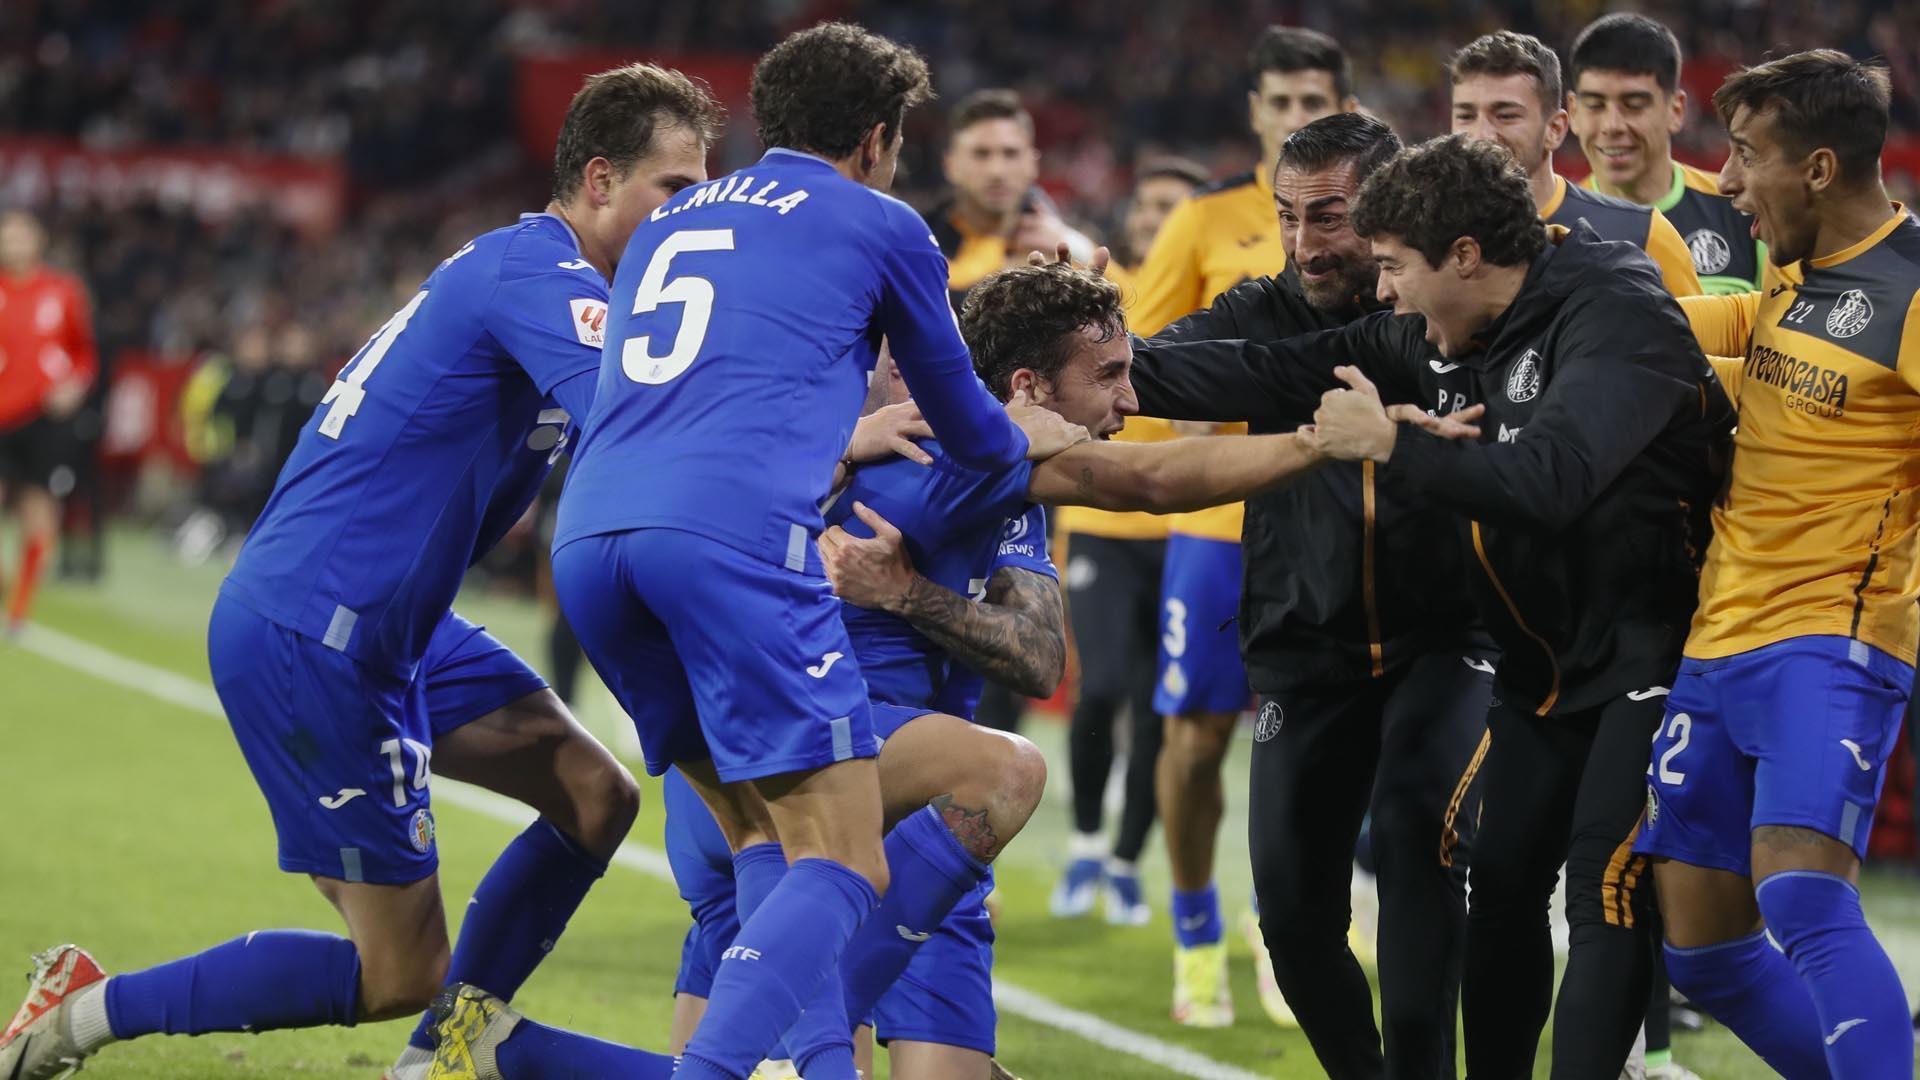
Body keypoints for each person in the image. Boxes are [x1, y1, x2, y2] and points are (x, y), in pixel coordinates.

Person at [0, 63, 723, 1080]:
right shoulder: (542, 278)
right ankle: (85, 1012)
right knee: (398, 970)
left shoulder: (538, 275)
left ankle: (446, 1057)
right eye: (675, 191)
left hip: (393, 625)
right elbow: (645, 424)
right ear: (600, 179)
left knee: (594, 797)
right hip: (320, 630)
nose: (693, 219)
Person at [521, 24, 1088, 1080]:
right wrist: (1034, 441)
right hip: (727, 545)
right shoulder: (882, 224)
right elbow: (968, 429)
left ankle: (796, 1062)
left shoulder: (670, 218)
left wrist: (834, 437)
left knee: (764, 847)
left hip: (592, 539)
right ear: (877, 139)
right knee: (845, 854)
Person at [1129, 133, 1733, 1079]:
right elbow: (1267, 368)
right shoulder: (1434, 330)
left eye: (1393, 266)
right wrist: (1073, 368)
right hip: (1529, 669)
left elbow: (1553, 479)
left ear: (1458, 255)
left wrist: (1393, 448)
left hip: (1644, 653)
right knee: (1489, 890)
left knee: (1597, 897)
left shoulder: (1611, 304)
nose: (1380, 289)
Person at [1125, 112, 1495, 1077]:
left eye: (1329, 216)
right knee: (1292, 921)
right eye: (1289, 216)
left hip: (1446, 642)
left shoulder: (1449, 304)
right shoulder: (1258, 311)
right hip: (1305, 645)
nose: (1305, 243)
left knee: (1420, 848)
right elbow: (1150, 365)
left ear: (1386, 205)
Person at [1638, 50, 1920, 1078]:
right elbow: (1681, 337)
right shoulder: (1789, 287)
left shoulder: (1913, 289)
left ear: (1818, 167)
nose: (1725, 180)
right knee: (1704, 950)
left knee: (1801, 895)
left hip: (1834, 641)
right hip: (1719, 645)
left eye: (1747, 155)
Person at [1093, 25, 1358, 1031]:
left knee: (1337, 731)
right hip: (1213, 524)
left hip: (1333, 524)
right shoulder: (1202, 224)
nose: (1295, 117)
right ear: (1254, 112)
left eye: (1314, 102)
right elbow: (1135, 354)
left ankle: (1298, 916)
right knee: (1198, 742)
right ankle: (1198, 929)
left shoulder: (1368, 227)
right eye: (1281, 101)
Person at [1449, 30, 1704, 299]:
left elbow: (1693, 339)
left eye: (1506, 115)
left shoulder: (1643, 234)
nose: (1482, 134)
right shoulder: (1425, 239)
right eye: (1466, 116)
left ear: (1555, 129)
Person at [1568, 13, 1763, 296]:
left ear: (1676, 110)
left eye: (1633, 105)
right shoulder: (1555, 229)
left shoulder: (1741, 209)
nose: (1612, 126)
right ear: (1573, 112)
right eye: (1595, 105)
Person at [0, 208, 97, 635]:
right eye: (7, 236)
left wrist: (74, 385)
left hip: (44, 416)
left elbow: (83, 352)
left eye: (21, 235)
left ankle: (19, 610)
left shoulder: (63, 290)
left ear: (38, 240)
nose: (13, 243)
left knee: (38, 509)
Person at [927, 89, 1092, 301]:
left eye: (1010, 154)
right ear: (950, 165)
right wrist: (1012, 277)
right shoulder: (920, 246)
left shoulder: (1065, 247)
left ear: (1033, 163)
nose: (997, 171)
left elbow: (1133, 312)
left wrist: (1077, 249)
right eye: (981, 154)